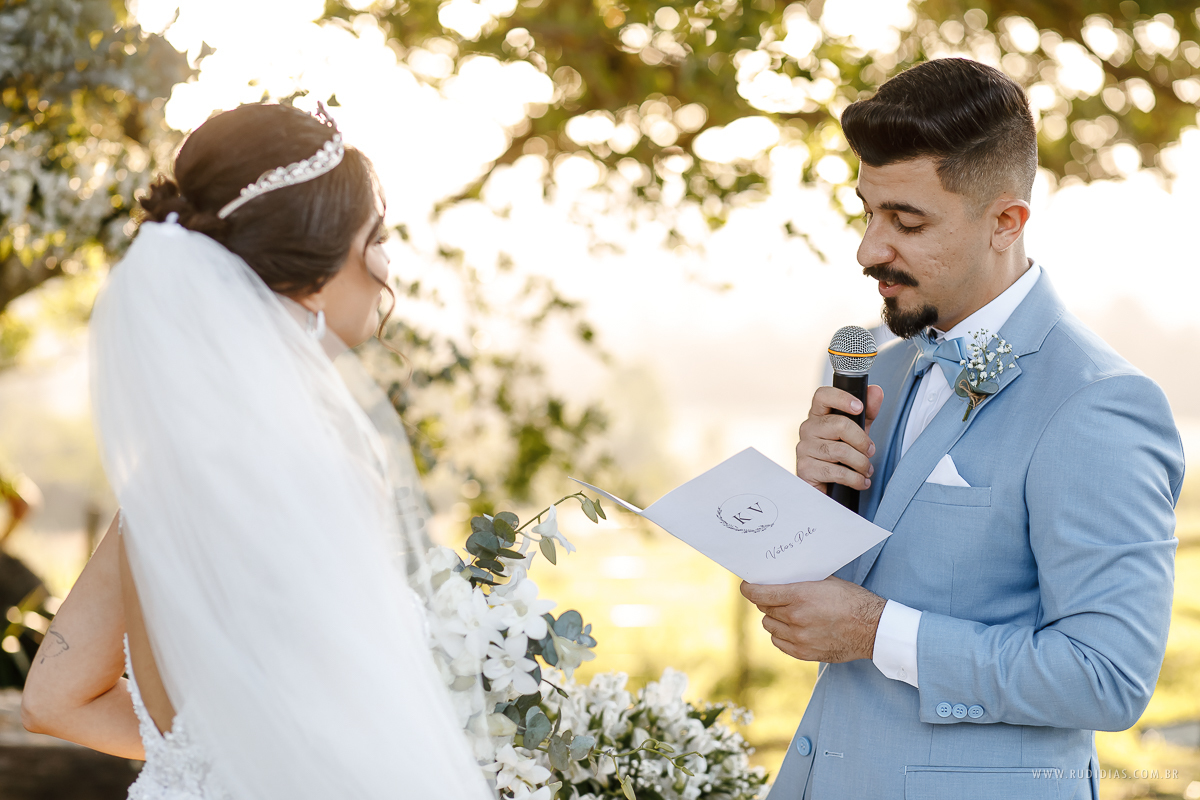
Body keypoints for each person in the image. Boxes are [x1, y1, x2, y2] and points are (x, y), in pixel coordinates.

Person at [20, 102, 492, 800]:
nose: (389, 265)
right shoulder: (324, 468)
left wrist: (204, 763)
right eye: (378, 236)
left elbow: (54, 699)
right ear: (317, 265)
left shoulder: (164, 480)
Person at [742, 58, 1184, 800]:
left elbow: (1109, 679)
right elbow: (831, 611)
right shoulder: (869, 371)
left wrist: (876, 630)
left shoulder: (1100, 406)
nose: (868, 249)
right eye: (868, 210)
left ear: (1006, 221)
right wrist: (811, 507)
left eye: (906, 222)